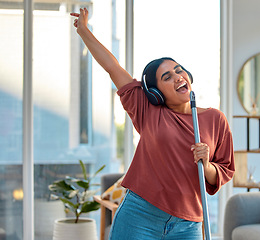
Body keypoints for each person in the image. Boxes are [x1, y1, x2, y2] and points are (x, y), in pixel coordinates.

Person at [71, 8, 235, 240]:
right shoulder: (148, 110)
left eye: (179, 71)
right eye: (166, 77)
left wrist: (206, 164)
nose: (177, 76)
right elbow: (112, 67)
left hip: (187, 223)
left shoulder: (215, 119)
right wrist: (84, 31)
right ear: (156, 93)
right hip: (139, 215)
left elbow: (224, 171)